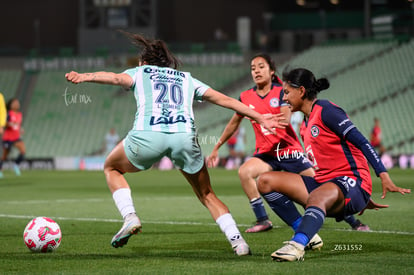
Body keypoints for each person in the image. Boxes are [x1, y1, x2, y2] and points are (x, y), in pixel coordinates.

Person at [65, 31, 286, 256]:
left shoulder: (141, 72)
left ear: (145, 62)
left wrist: (85, 76)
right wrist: (259, 116)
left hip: (148, 134)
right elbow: (225, 100)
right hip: (184, 137)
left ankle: (130, 216)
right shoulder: (186, 78)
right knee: (207, 194)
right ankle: (238, 242)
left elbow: (114, 78)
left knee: (111, 167)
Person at [256, 68, 411, 262]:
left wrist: (382, 176)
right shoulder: (305, 123)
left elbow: (362, 142)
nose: (284, 98)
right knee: (265, 181)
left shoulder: (326, 110)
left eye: (286, 92)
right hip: (327, 184)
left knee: (317, 196)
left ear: (301, 91)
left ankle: (297, 245)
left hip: (353, 181)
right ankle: (307, 235)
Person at [208, 54, 318, 237]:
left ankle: (352, 220)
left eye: (261, 67)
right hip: (266, 154)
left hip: (288, 150)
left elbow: (286, 119)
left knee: (319, 189)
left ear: (271, 71)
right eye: (253, 68)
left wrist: (264, 118)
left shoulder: (282, 91)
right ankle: (262, 220)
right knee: (244, 172)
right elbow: (233, 123)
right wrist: (216, 147)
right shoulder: (245, 96)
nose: (256, 71)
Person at [0, 98, 25, 178]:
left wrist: (21, 129)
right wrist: (9, 124)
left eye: (18, 103)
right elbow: (4, 123)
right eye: (15, 103)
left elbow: (18, 125)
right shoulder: (8, 114)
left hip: (16, 137)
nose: (17, 104)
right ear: (11, 105)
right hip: (8, 137)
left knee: (23, 151)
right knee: (4, 155)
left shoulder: (20, 114)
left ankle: (16, 165)